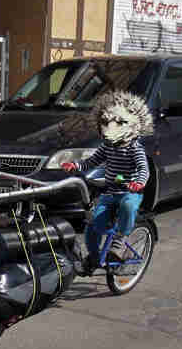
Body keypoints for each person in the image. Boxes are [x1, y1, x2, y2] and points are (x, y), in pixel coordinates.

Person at [61, 89, 154, 272]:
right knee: (93, 225)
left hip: (130, 192)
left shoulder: (135, 149)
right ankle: (94, 258)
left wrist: (139, 182)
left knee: (128, 206)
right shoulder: (107, 146)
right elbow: (92, 161)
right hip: (110, 192)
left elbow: (144, 168)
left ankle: (120, 239)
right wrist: (76, 166)